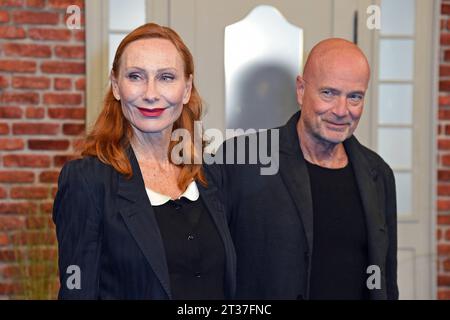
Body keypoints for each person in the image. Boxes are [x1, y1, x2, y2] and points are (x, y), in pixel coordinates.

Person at [52, 23, 236, 299]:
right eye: (136, 76)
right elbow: (77, 290)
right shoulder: (87, 180)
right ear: (116, 86)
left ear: (186, 89)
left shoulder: (210, 173)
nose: (151, 94)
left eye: (166, 77)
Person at [209, 38, 398, 299]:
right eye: (328, 93)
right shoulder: (241, 160)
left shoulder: (378, 174)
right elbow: (209, 267)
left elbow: (386, 279)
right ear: (301, 90)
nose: (342, 111)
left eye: (354, 97)